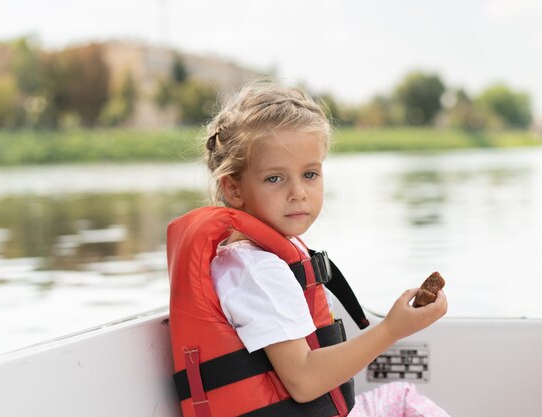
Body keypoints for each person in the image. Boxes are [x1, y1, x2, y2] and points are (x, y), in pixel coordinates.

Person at [166, 81, 450, 417]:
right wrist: (392, 329)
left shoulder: (250, 260)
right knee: (405, 402)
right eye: (275, 178)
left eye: (310, 174)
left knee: (401, 397)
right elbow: (303, 379)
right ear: (234, 188)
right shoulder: (258, 271)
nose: (298, 192)